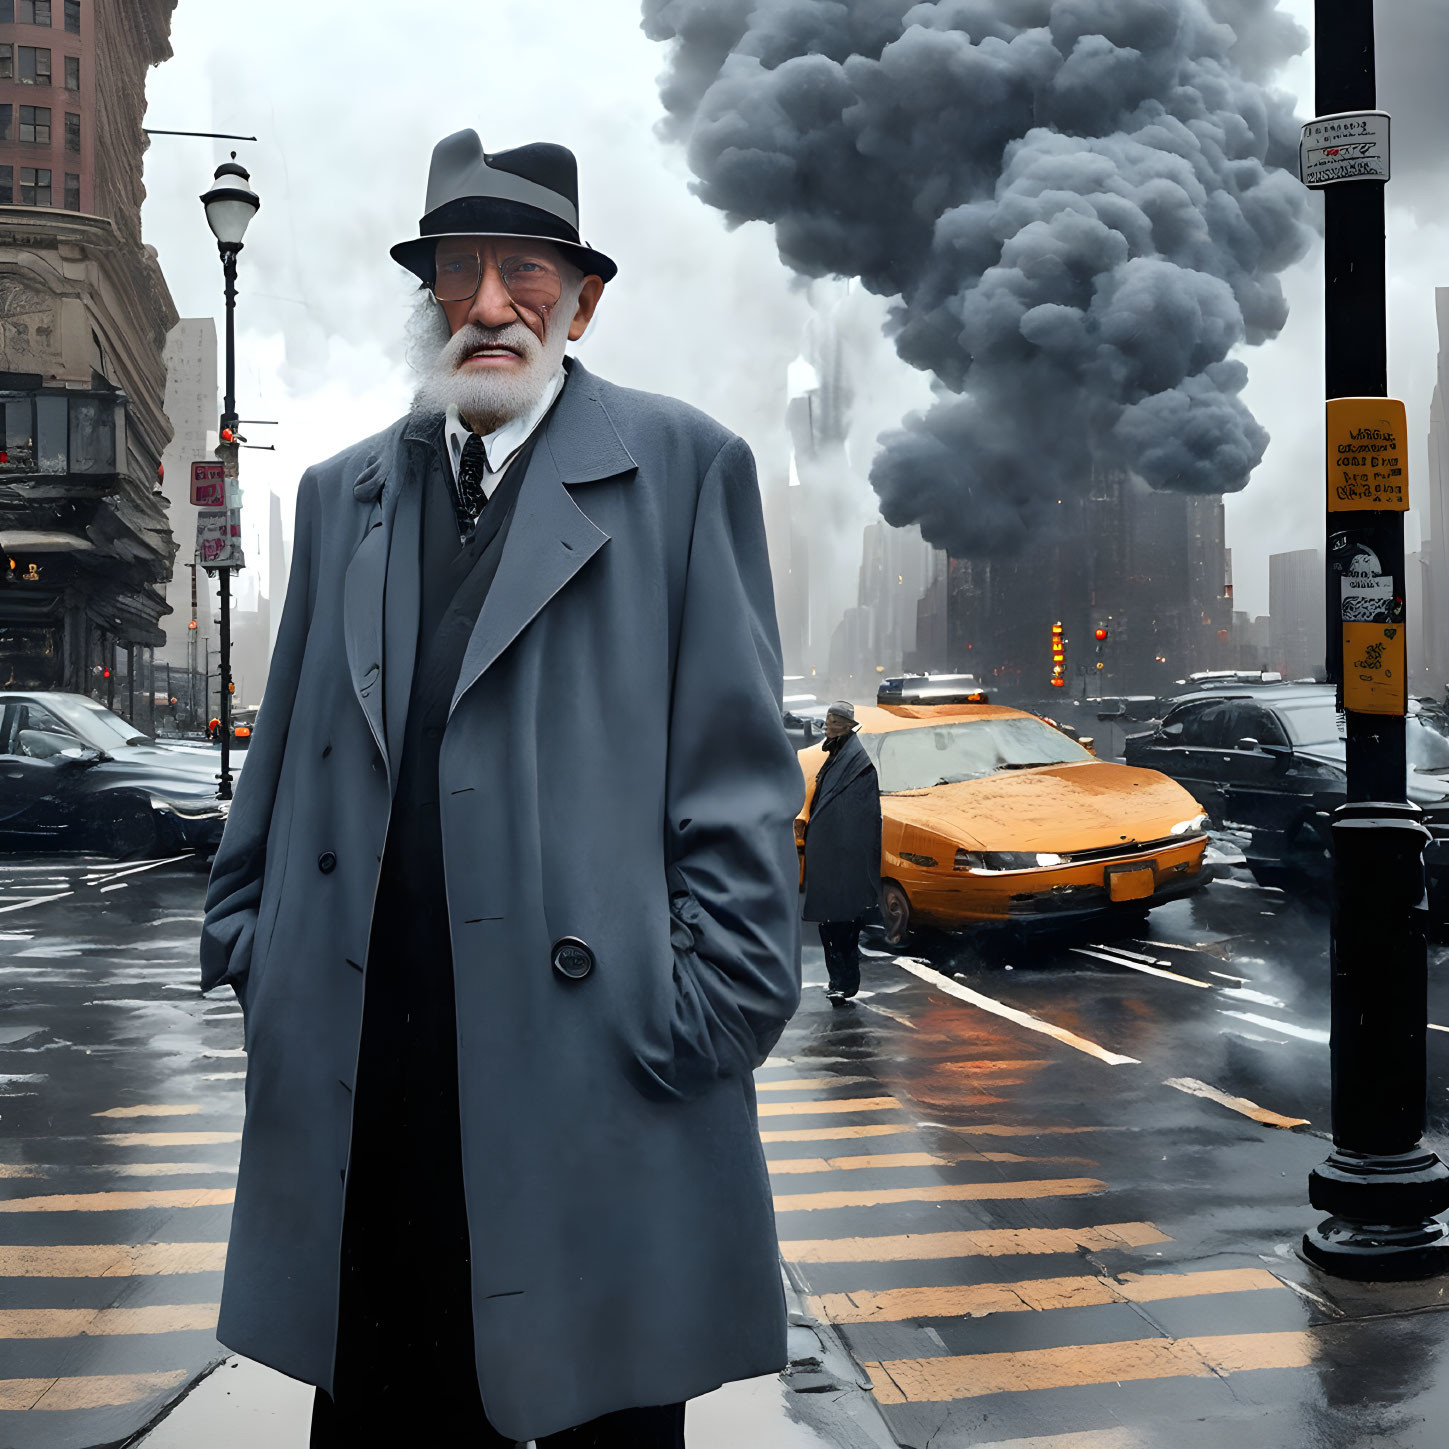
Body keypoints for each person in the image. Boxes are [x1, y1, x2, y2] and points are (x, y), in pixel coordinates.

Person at [199, 131, 803, 1448]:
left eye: (522, 270)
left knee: (597, 1426)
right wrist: (256, 956)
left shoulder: (687, 472)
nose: (487, 304)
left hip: (595, 1107)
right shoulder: (340, 491)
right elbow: (279, 761)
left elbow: (740, 796)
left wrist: (690, 1022)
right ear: (430, 296)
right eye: (458, 271)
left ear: (582, 299)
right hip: (373, 1120)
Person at [801, 701, 882, 1003]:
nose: (829, 725)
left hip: (844, 857)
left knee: (844, 924)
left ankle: (846, 982)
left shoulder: (857, 762)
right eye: (827, 720)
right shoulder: (834, 755)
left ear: (848, 726)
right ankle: (837, 979)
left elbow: (860, 810)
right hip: (829, 855)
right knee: (830, 924)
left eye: (835, 721)